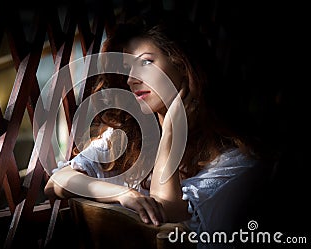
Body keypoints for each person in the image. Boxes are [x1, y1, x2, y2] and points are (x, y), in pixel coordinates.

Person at [44, 10, 270, 248]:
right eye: (127, 67)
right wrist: (122, 195)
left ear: (182, 64)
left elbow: (164, 211)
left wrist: (172, 132)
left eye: (145, 62)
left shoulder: (236, 159)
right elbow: (57, 182)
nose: (131, 79)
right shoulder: (127, 138)